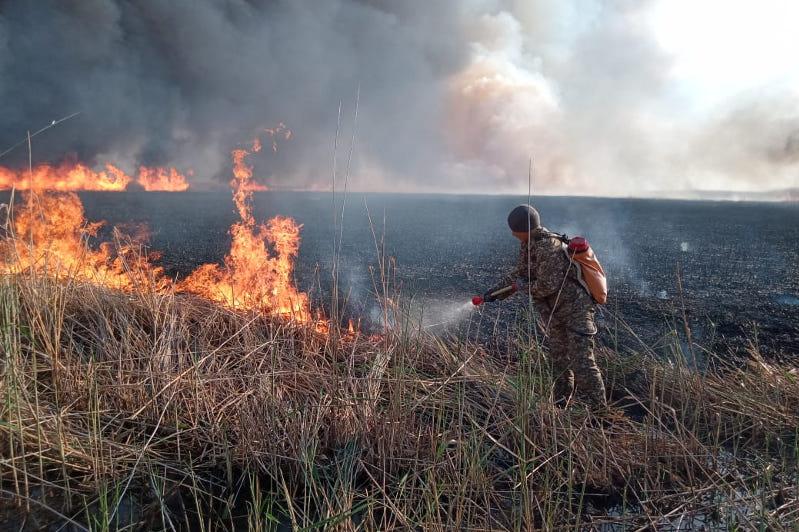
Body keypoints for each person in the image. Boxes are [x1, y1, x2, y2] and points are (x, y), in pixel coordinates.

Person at [485, 204, 608, 410]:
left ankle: (600, 413)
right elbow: (520, 274)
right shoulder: (529, 243)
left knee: (582, 363)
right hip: (556, 312)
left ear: (523, 229)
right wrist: (493, 294)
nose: (513, 234)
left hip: (576, 309)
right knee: (559, 360)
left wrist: (523, 288)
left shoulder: (547, 247)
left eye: (514, 230)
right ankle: (561, 405)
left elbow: (546, 286)